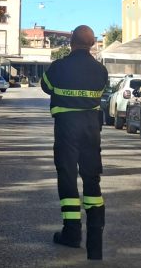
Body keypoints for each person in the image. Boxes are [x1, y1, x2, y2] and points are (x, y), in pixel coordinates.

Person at [41, 25, 107, 260]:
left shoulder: (60, 67)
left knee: (68, 177)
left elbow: (46, 86)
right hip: (91, 129)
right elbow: (101, 91)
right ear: (92, 44)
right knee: (92, 179)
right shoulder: (100, 70)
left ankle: (72, 232)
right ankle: (96, 243)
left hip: (67, 128)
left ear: (71, 42)